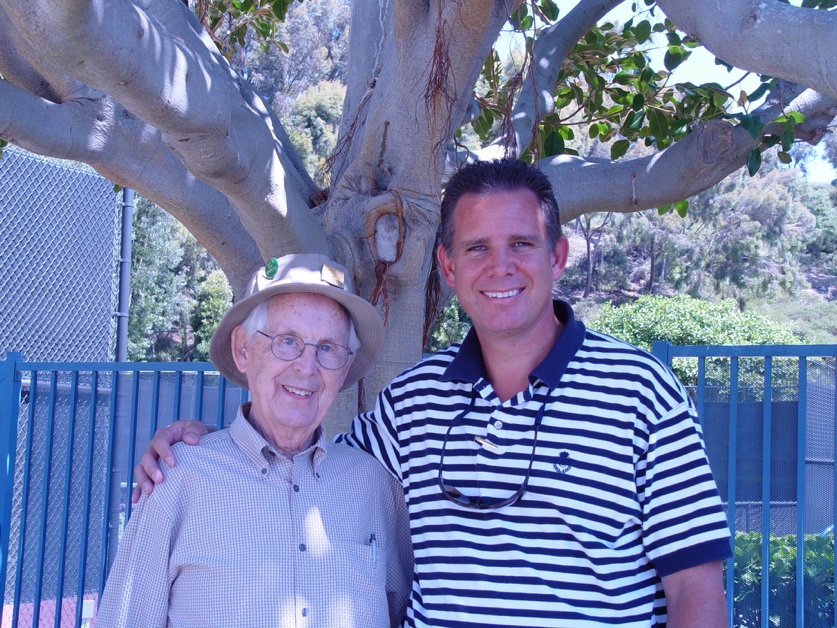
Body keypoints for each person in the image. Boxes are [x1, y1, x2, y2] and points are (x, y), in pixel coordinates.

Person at [135, 159, 732, 627]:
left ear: (557, 256)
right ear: (447, 267)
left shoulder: (641, 393)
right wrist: (201, 445)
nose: (499, 267)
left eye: (521, 244)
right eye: (477, 248)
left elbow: (696, 588)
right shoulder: (413, 402)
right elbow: (301, 458)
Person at [99, 254, 412, 627]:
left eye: (327, 348)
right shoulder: (177, 479)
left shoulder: (375, 485)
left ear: (345, 367)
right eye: (287, 341)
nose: (307, 367)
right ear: (244, 350)